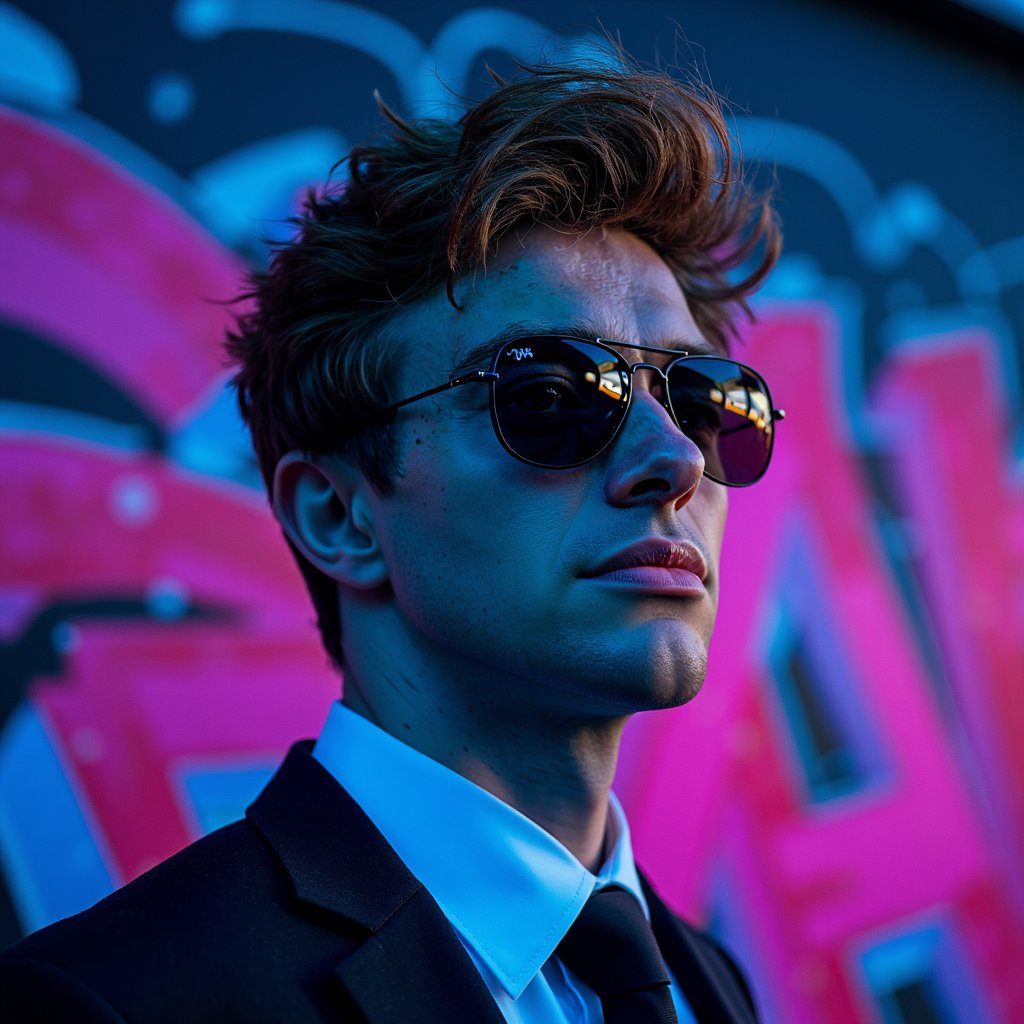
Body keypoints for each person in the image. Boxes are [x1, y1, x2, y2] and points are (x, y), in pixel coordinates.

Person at [1, 51, 781, 1023]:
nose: (674, 458)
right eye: (549, 396)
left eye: (705, 400)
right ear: (338, 515)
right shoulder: (112, 1005)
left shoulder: (708, 984)